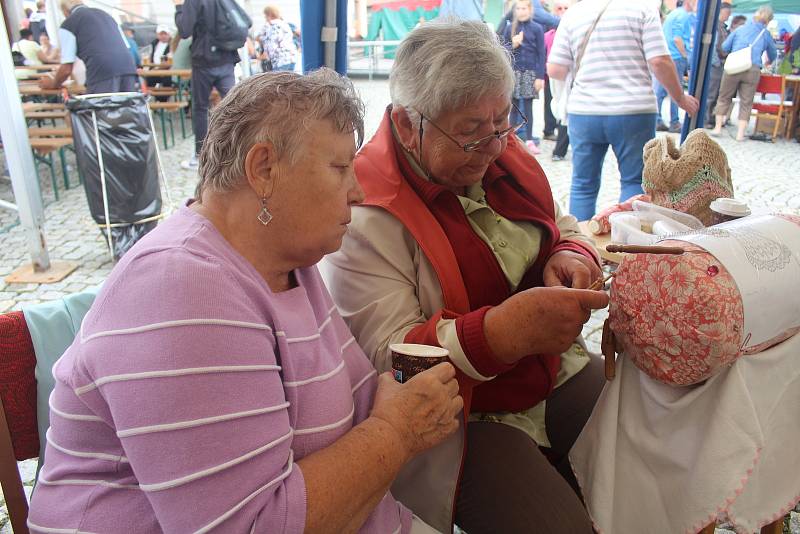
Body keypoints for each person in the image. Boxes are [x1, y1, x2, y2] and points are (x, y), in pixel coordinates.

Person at [28, 69, 461, 534]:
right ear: (264, 169)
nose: (357, 191)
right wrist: (395, 434)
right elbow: (250, 526)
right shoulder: (182, 290)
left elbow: (347, 406)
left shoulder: (288, 262)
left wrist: (407, 401)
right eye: (339, 168)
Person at [323, 19, 611, 534]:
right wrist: (503, 333)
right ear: (407, 125)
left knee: (644, 453)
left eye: (503, 121)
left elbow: (562, 224)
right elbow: (392, 356)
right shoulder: (364, 210)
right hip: (461, 418)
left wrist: (571, 254)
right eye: (471, 133)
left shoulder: (498, 148)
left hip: (550, 371)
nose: (496, 147)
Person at [548, 0, 698, 221]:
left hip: (584, 111)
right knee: (633, 181)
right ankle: (625, 244)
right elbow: (659, 60)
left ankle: (580, 247)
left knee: (583, 184)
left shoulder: (575, 13)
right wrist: (680, 98)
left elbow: (556, 69)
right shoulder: (641, 9)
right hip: (633, 110)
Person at [175, 0, 241, 170]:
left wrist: (178, 7)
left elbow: (184, 30)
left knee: (200, 108)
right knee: (234, 106)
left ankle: (200, 155)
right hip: (226, 58)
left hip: (204, 61)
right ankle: (238, 151)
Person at [38, 0, 138, 94]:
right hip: (128, 67)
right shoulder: (106, 16)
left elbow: (66, 68)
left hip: (101, 70)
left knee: (102, 109)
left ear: (65, 11)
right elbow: (127, 47)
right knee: (126, 109)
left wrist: (54, 83)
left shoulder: (69, 24)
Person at [711, 5, 777, 142]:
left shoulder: (740, 29)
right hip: (753, 68)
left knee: (724, 96)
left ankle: (717, 127)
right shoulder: (765, 34)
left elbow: (724, 47)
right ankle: (740, 134)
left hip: (734, 66)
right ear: (769, 20)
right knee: (746, 102)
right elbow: (773, 54)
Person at [503, 0, 546, 154]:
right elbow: (504, 51)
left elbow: (541, 54)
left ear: (530, 10)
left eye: (524, 8)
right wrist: (513, 45)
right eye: (518, 8)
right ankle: (510, 137)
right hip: (514, 72)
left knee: (528, 108)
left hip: (530, 72)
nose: (521, 11)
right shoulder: (509, 28)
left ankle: (529, 139)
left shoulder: (537, 28)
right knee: (513, 107)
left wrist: (540, 77)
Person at [655, 0, 697, 133]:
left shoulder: (672, 15)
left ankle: (657, 119)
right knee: (676, 90)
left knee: (661, 91)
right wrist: (685, 55)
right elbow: (677, 39)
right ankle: (675, 122)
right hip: (677, 57)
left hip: (667, 54)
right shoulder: (684, 16)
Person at [542, 1, 570, 142]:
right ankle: (549, 129)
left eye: (566, 8)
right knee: (549, 101)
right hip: (550, 73)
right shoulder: (549, 33)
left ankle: (562, 129)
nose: (562, 11)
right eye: (560, 8)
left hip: (566, 73)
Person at [704, 2, 732, 128]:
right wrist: (717, 63)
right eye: (728, 12)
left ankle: (710, 118)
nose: (729, 14)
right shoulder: (716, 27)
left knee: (714, 93)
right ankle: (706, 119)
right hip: (716, 65)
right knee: (711, 93)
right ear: (722, 12)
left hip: (718, 64)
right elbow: (714, 47)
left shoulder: (722, 27)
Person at [259, 6, 299, 72]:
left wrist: (265, 55)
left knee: (279, 81)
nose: (265, 18)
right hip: (291, 59)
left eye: (265, 16)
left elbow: (271, 44)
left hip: (279, 61)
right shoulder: (285, 24)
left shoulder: (270, 25)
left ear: (269, 15)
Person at [147, 25, 175, 100]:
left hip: (168, 72)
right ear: (157, 35)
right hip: (154, 71)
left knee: (167, 81)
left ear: (169, 34)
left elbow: (170, 62)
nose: (163, 36)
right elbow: (150, 57)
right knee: (147, 79)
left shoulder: (173, 44)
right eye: (161, 34)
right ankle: (151, 99)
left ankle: (163, 101)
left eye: (165, 34)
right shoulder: (154, 44)